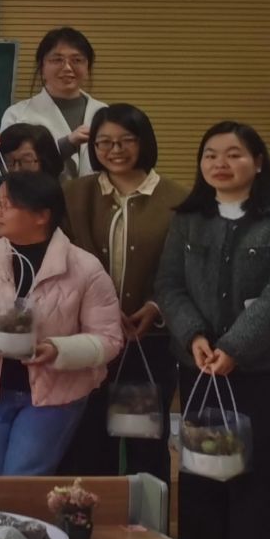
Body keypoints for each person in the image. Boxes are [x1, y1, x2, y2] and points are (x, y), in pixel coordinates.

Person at [155, 122, 270, 539]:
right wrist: (194, 336)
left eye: (234, 154)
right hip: (202, 373)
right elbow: (169, 285)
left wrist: (235, 348)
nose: (220, 163)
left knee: (265, 492)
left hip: (268, 379)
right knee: (203, 483)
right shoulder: (189, 219)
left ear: (258, 163)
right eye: (210, 155)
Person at [0, 171, 122, 476]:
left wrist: (57, 349)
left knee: (20, 480)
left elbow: (109, 339)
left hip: (54, 395)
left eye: (7, 204)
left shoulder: (85, 268)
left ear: (41, 215)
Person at [61, 104, 188, 481]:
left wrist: (156, 306)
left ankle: (148, 516)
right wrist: (98, 309)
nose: (114, 150)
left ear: (144, 142)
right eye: (104, 142)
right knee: (88, 441)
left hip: (149, 340)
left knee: (144, 440)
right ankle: (89, 513)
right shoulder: (74, 194)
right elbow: (61, 259)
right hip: (89, 339)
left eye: (126, 140)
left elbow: (186, 268)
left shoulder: (178, 200)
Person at [1, 27, 105, 177]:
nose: (67, 68)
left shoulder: (104, 113)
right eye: (57, 60)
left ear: (88, 67)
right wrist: (66, 145)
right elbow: (10, 169)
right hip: (38, 193)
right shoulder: (17, 114)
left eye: (77, 60)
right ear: (42, 67)